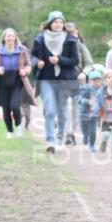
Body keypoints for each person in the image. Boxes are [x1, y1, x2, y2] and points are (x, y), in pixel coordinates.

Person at [31, 11, 80, 153]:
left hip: (64, 79)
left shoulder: (70, 40)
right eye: (55, 22)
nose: (58, 24)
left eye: (60, 22)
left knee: (62, 111)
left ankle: (60, 138)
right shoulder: (40, 39)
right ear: (50, 24)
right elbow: (32, 56)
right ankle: (50, 141)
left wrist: (60, 60)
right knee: (50, 110)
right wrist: (37, 62)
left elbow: (75, 61)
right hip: (47, 78)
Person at [0, 29, 35, 139]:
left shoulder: (22, 50)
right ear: (4, 38)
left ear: (15, 38)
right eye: (8, 36)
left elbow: (29, 65)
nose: (10, 38)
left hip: (17, 81)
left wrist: (25, 71)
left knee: (15, 106)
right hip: (2, 82)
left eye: (12, 36)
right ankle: (10, 131)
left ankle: (18, 126)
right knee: (6, 109)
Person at [76, 70, 103, 152]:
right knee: (85, 129)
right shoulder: (85, 89)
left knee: (93, 130)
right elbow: (78, 98)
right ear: (91, 81)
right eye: (96, 80)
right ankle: (85, 136)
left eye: (100, 80)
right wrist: (87, 102)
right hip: (84, 113)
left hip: (94, 114)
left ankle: (91, 145)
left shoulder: (102, 90)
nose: (99, 82)